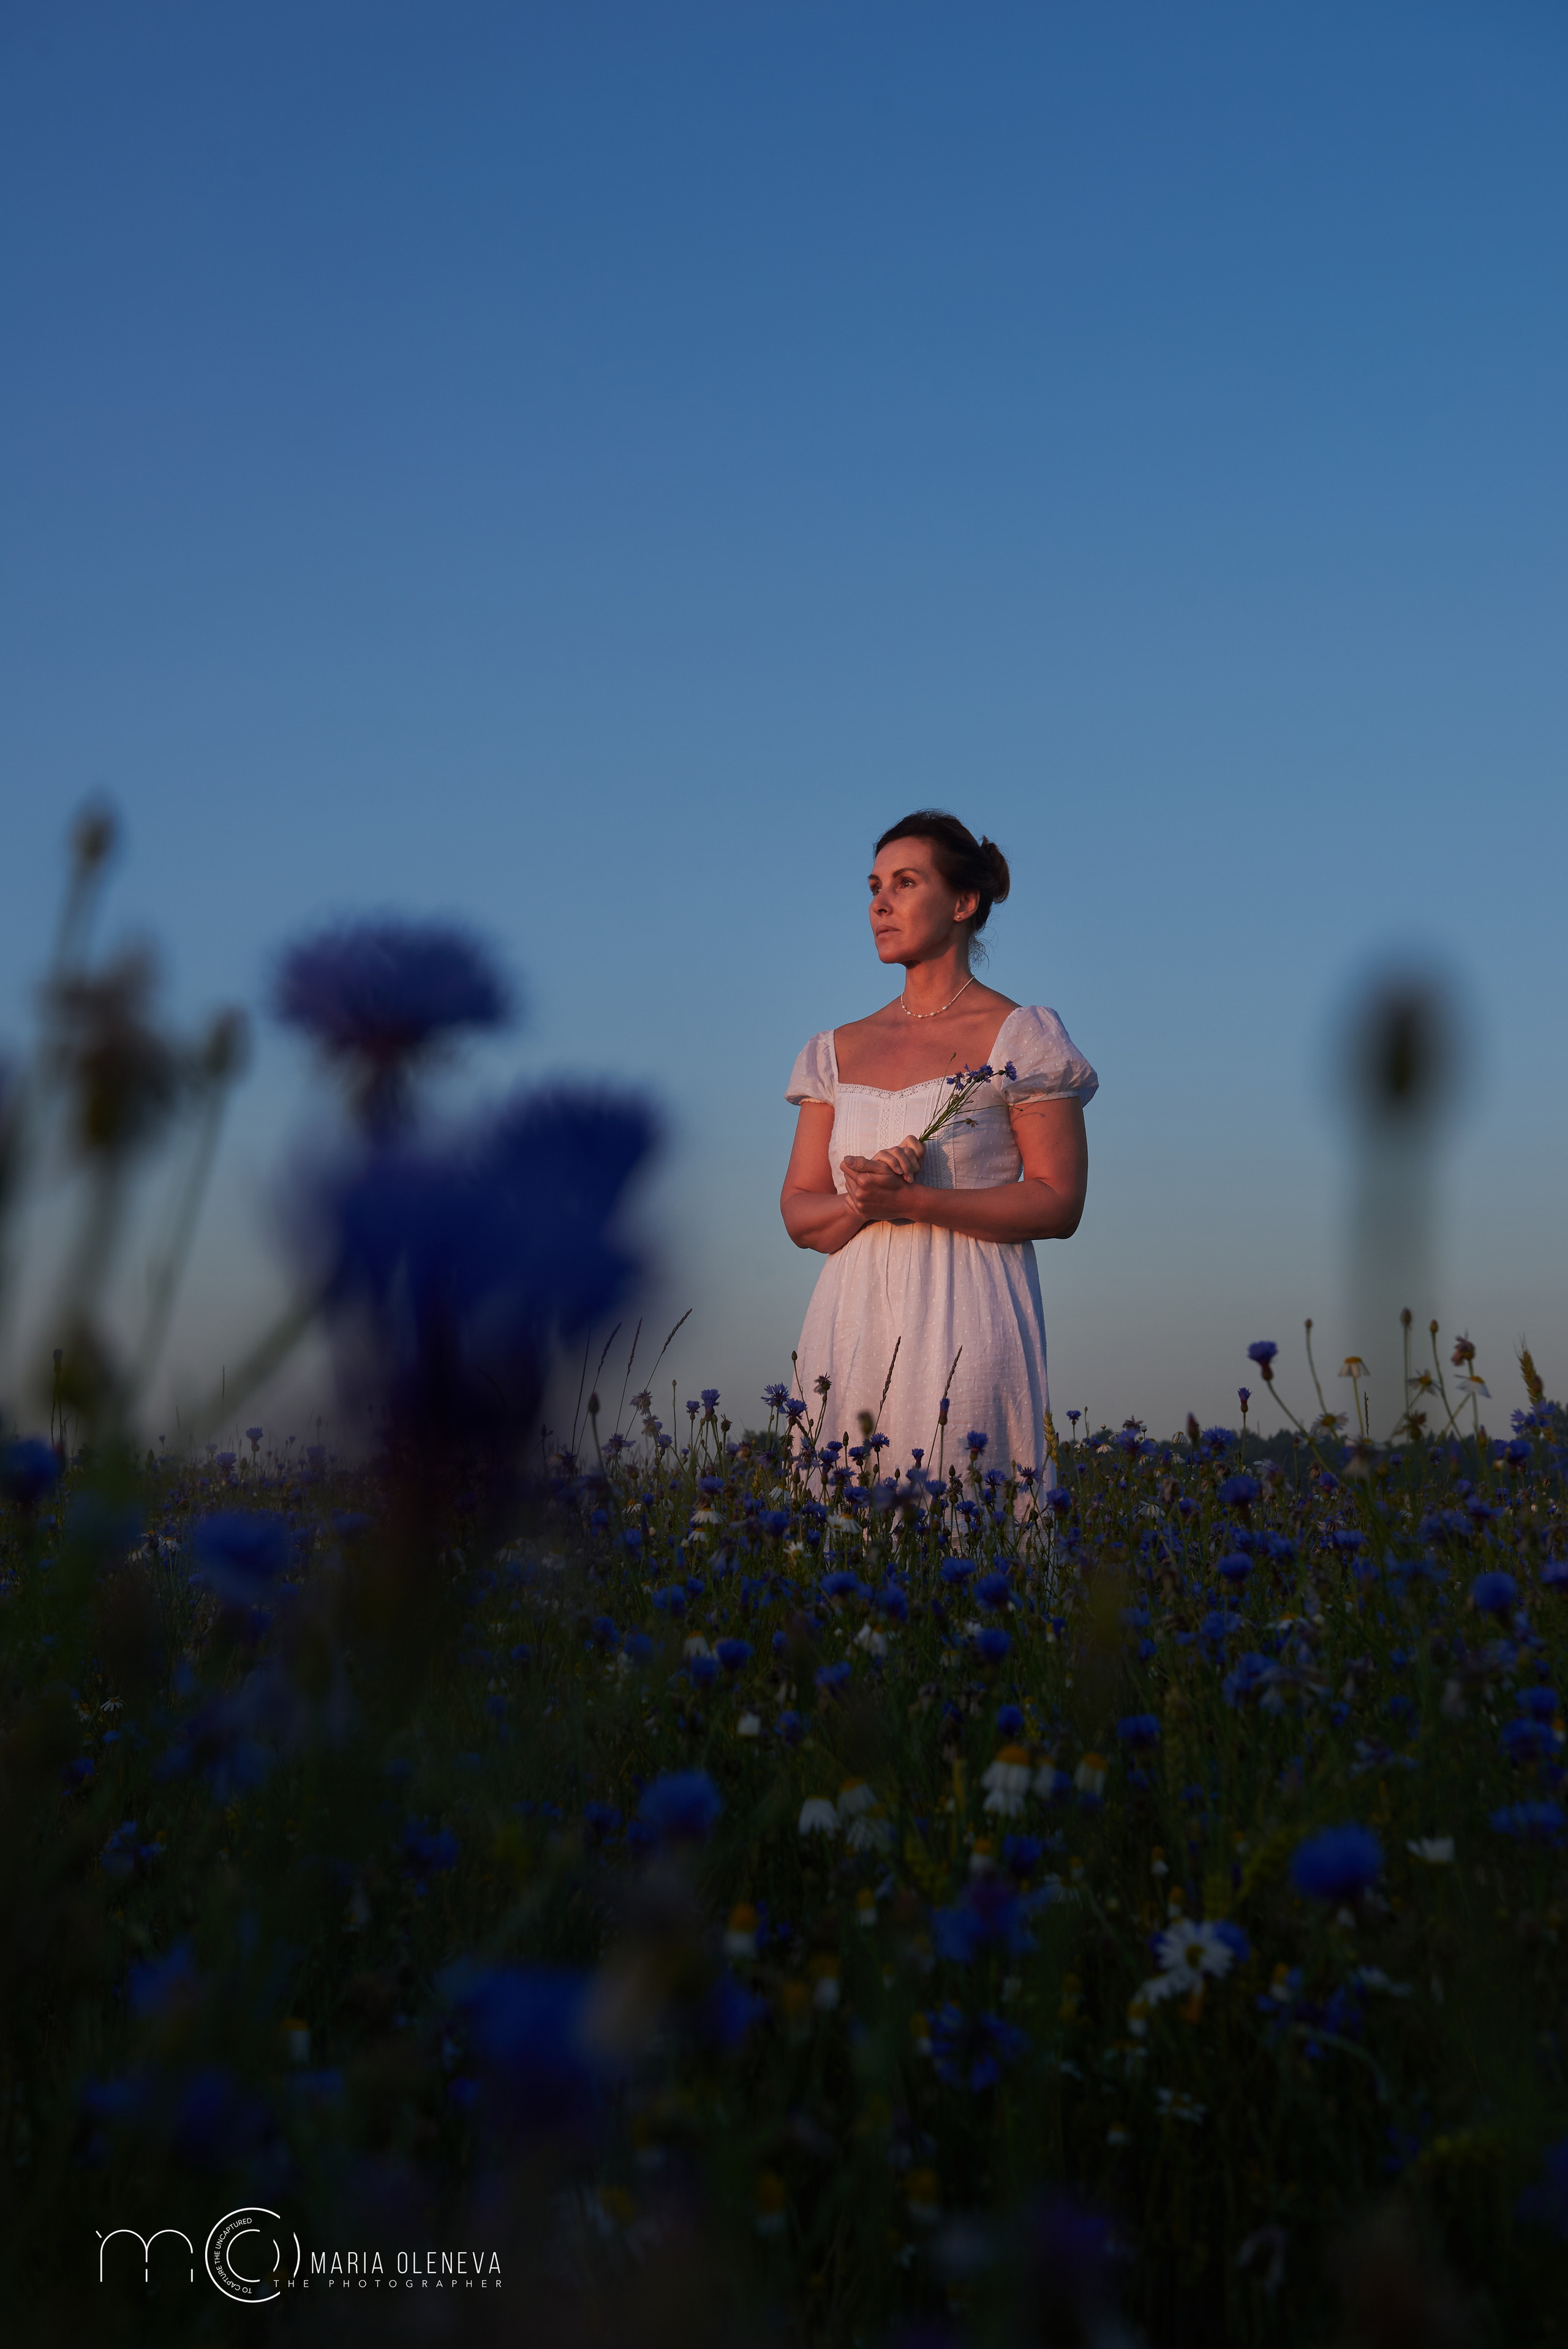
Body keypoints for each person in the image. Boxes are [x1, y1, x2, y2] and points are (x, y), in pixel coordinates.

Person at [780, 811, 1096, 1483]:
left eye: (905, 883)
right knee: (840, 1525)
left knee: (963, 1516)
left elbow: (1059, 1202)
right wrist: (865, 1200)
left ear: (963, 902)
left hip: (968, 1318)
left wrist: (916, 1200)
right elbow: (800, 1215)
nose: (880, 904)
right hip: (849, 1327)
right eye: (874, 887)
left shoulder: (1022, 1036)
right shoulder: (833, 1049)